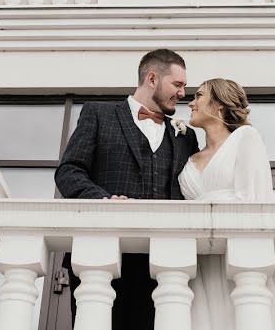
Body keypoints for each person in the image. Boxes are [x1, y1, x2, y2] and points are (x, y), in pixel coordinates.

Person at [54, 49, 200, 330]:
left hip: (165, 266)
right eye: (178, 85)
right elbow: (69, 171)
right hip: (102, 259)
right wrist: (104, 200)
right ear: (152, 78)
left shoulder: (185, 136)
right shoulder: (99, 114)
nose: (183, 93)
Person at [180, 78, 275, 330]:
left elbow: (255, 202)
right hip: (199, 260)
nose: (191, 102)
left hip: (239, 254)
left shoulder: (245, 138)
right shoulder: (189, 157)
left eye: (199, 96)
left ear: (219, 105)